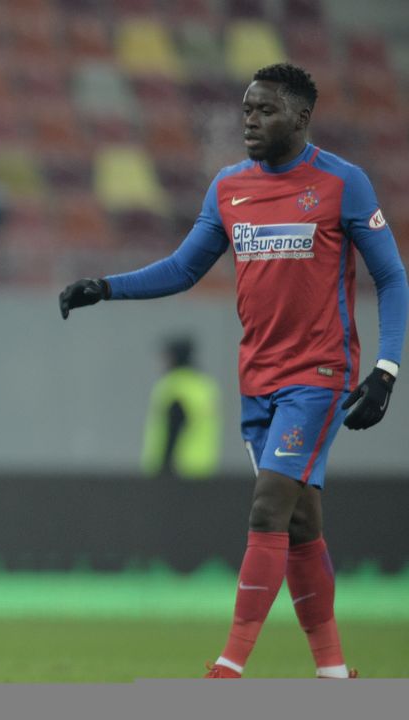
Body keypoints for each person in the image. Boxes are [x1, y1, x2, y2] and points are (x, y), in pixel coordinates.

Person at [59, 63, 407, 679]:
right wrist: (104, 287)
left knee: (267, 508)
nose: (249, 120)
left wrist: (385, 369)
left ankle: (229, 667)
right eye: (246, 109)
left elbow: (392, 277)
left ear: (301, 118)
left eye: (265, 110)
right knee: (299, 526)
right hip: (257, 380)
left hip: (319, 375)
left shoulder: (342, 183)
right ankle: (333, 672)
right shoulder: (228, 187)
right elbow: (183, 268)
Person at [140, 335, 220, 479]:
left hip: (176, 470)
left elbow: (175, 426)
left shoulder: (175, 386)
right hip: (203, 467)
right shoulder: (204, 385)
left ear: (175, 357)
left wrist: (164, 466)